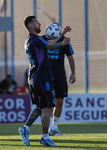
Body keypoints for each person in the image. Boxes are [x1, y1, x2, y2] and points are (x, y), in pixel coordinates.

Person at [18, 15, 71, 147]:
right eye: (37, 22)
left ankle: (25, 128)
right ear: (30, 26)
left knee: (40, 107)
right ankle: (45, 137)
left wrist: (61, 34)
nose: (40, 24)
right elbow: (50, 46)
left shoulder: (30, 40)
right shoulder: (36, 39)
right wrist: (62, 43)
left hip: (34, 78)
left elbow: (48, 41)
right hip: (42, 78)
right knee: (48, 108)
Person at [42, 29, 76, 136]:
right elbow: (48, 45)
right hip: (46, 77)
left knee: (59, 102)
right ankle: (48, 128)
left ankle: (55, 127)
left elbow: (70, 58)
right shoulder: (43, 39)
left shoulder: (64, 41)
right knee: (49, 104)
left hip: (60, 76)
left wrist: (73, 73)